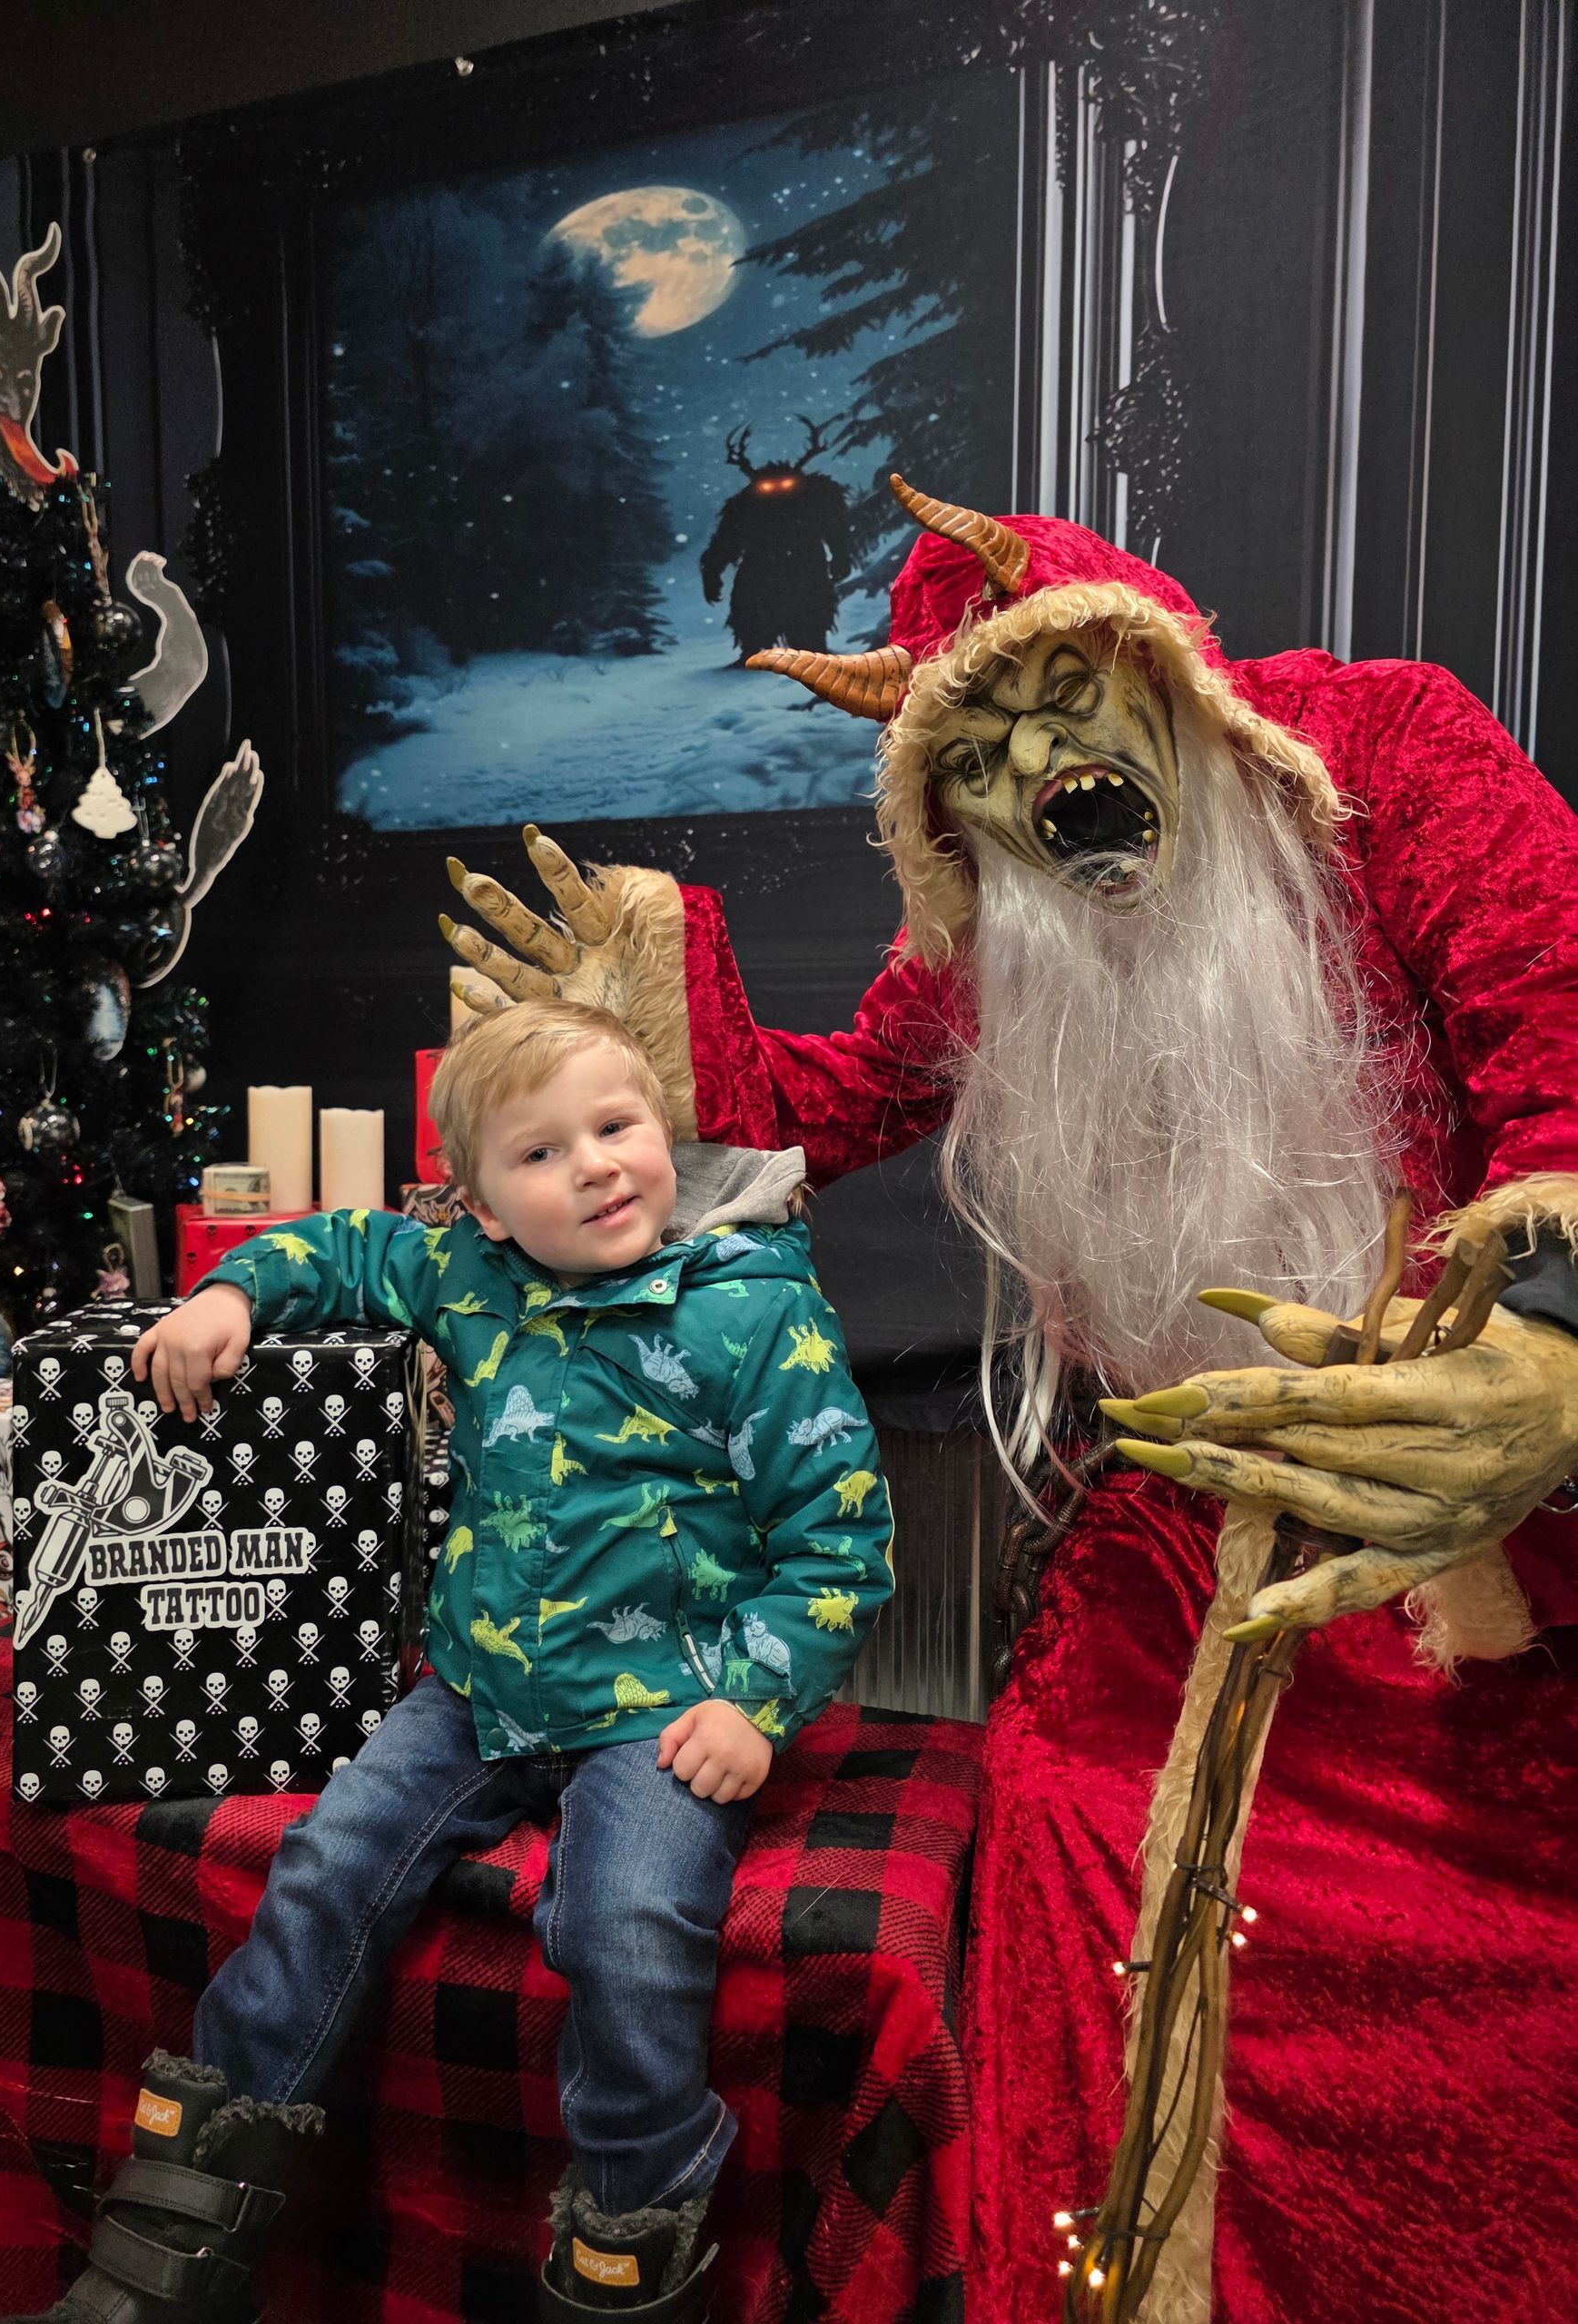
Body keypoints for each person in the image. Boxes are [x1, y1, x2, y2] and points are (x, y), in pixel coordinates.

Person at [438, 478, 1578, 2323]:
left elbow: (1563, 1030)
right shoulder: (1007, 942)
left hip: (1466, 1541)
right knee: (1066, 1855)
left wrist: (1553, 1341)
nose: (1039, 772)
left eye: (1062, 703)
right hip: (1167, 1539)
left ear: (1160, 667)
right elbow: (830, 1099)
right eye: (971, 757)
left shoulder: (1385, 754)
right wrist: (624, 1047)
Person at [0, 999, 892, 2324]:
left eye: (616, 1127)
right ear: (479, 1205)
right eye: (542, 1153)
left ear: (663, 1132)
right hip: (477, 1691)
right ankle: (175, 2234)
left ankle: (630, 2241)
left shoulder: (753, 1313)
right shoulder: (469, 1277)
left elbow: (838, 1537)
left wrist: (756, 1703)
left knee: (625, 1927)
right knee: (325, 1865)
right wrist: (231, 1291)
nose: (594, 1166)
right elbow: (346, 1246)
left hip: (665, 1705)